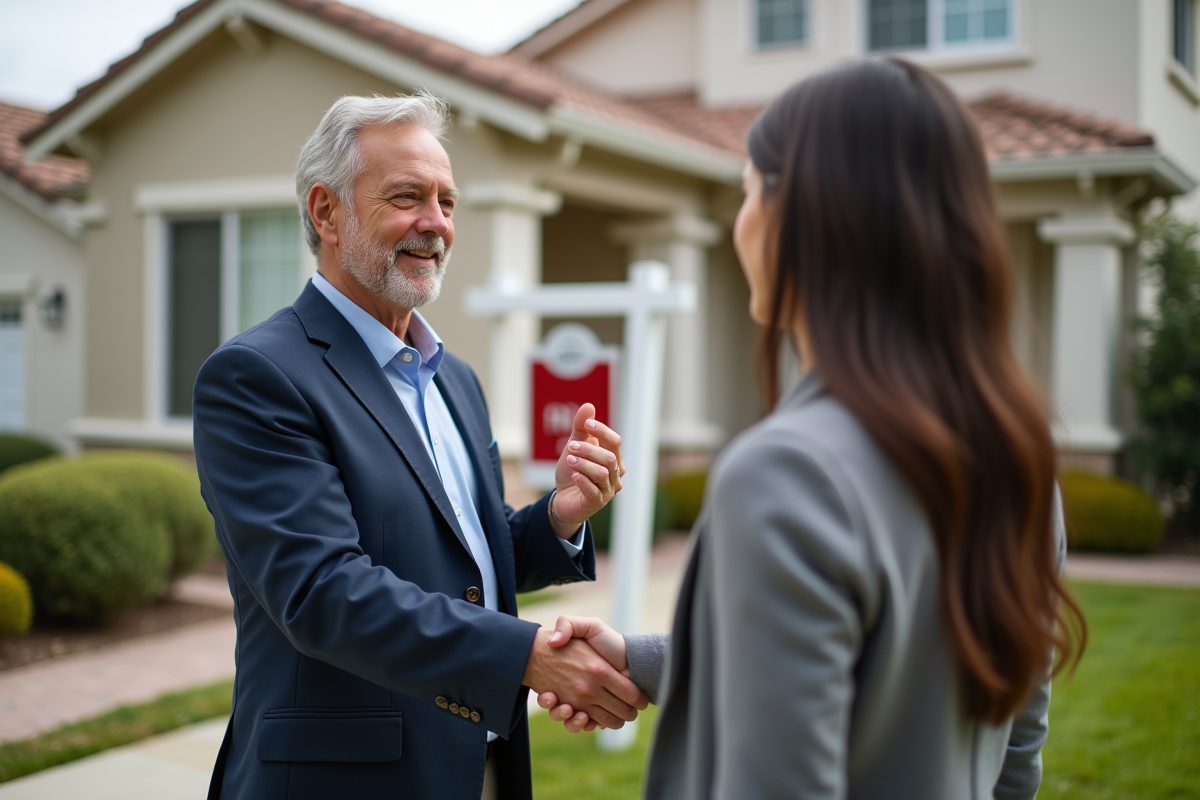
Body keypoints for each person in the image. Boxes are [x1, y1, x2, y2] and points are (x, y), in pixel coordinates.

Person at [536, 57, 1086, 800]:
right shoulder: (1015, 461)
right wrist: (644, 659)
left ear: (800, 218)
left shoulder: (787, 472)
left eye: (747, 193)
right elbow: (1010, 745)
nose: (741, 224)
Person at [192, 93, 646, 800]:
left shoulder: (454, 379)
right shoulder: (257, 376)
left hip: (478, 766)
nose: (436, 224)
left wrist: (557, 516)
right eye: (408, 197)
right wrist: (528, 656)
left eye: (448, 201)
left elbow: (462, 560)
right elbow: (322, 592)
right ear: (326, 213)